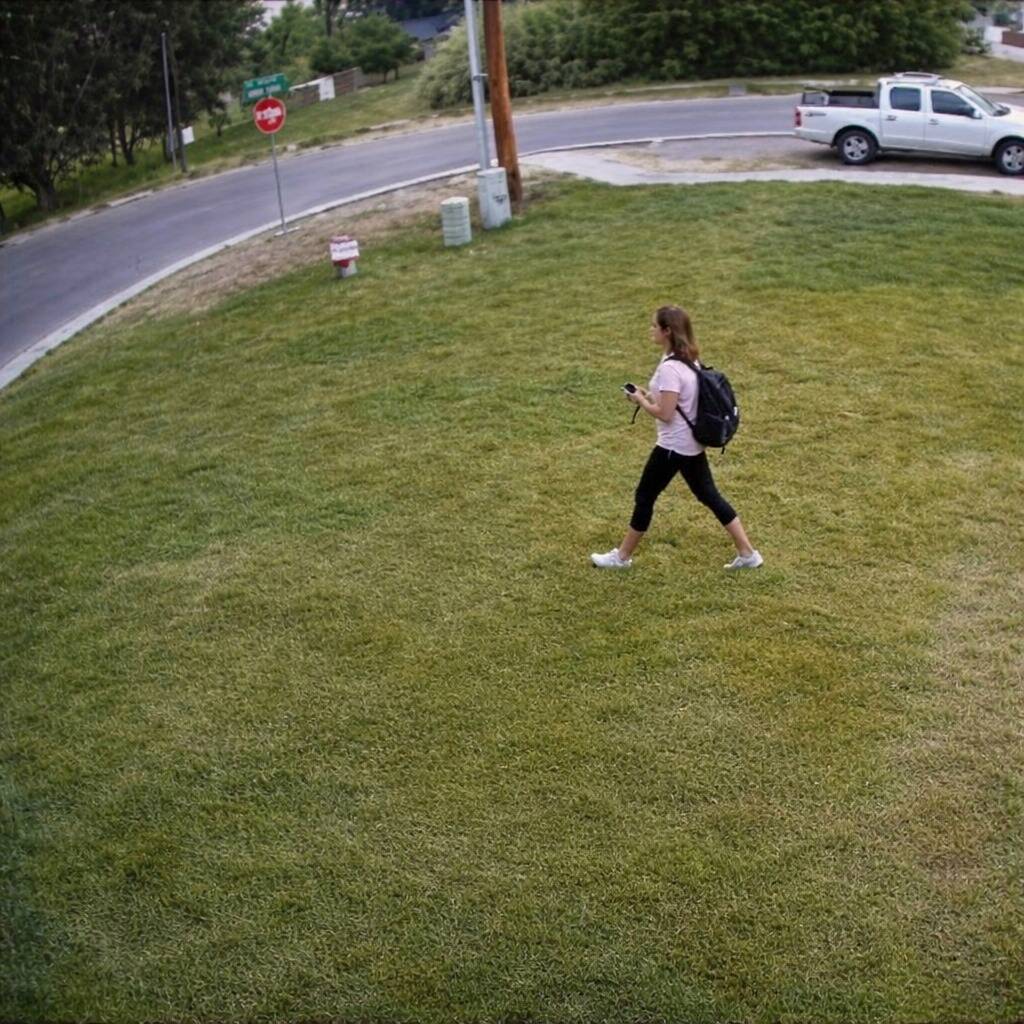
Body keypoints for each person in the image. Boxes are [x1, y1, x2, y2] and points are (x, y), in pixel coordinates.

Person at [591, 304, 763, 571]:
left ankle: (621, 557)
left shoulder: (671, 368)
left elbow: (666, 413)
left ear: (667, 331)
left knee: (645, 496)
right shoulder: (687, 358)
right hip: (690, 445)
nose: (651, 330)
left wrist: (640, 400)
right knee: (709, 496)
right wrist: (646, 394)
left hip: (674, 448)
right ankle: (748, 553)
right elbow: (679, 400)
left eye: (654, 326)